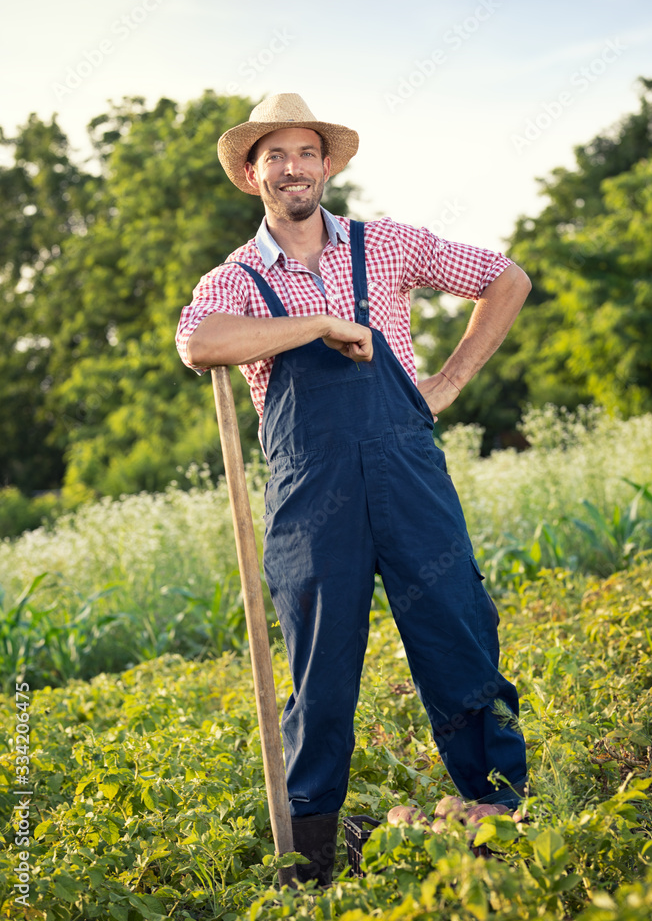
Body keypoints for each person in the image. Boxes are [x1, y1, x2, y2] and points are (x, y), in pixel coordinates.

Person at [176, 93, 532, 886]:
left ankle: (501, 811)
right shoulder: (232, 279)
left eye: (306, 152)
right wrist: (317, 326)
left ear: (327, 165)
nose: (293, 167)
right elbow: (200, 343)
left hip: (407, 474)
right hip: (311, 497)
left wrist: (446, 381)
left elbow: (505, 277)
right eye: (276, 155)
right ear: (250, 172)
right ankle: (311, 858)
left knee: (457, 634)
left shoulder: (388, 245)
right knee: (320, 670)